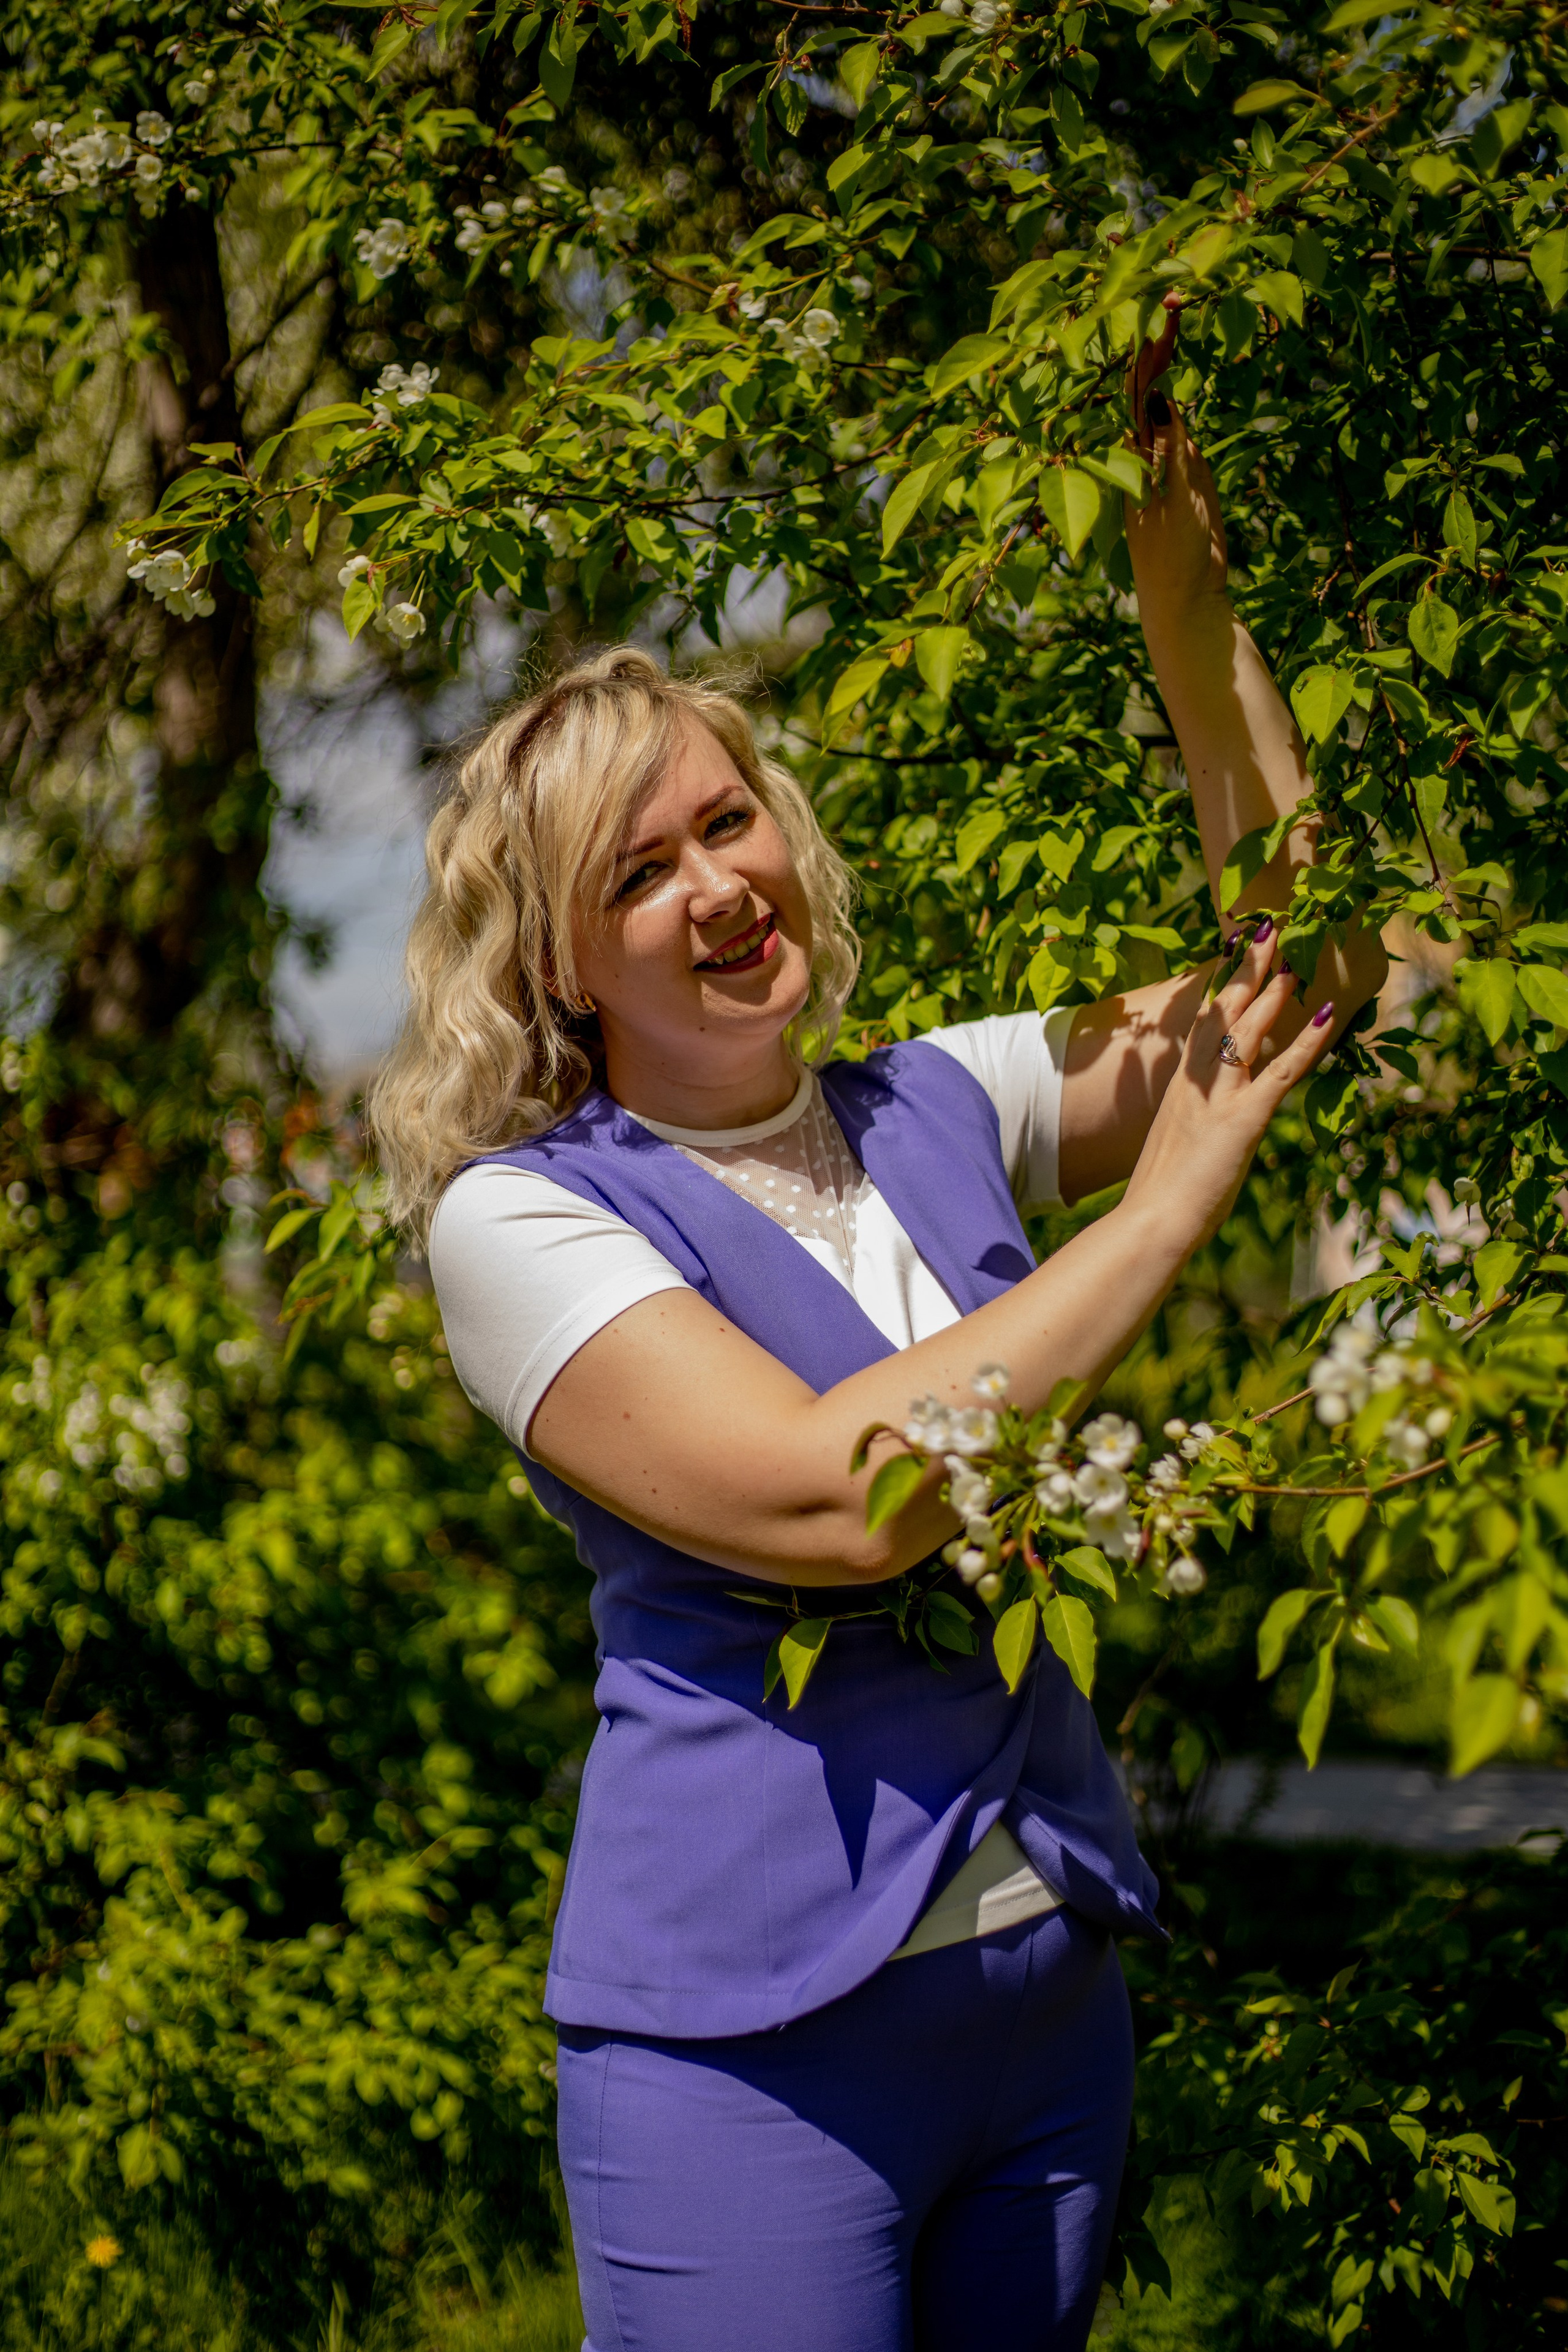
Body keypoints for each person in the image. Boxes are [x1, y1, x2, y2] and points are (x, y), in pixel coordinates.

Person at [367, 384, 1386, 2352]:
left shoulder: (944, 1094)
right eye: (638, 872)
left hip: (1045, 2008)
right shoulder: (519, 1222)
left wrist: (1181, 589)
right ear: (564, 959)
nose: (716, 886)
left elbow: (1302, 978)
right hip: (755, 2058)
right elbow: (844, 1498)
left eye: (726, 820)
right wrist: (1163, 1212)